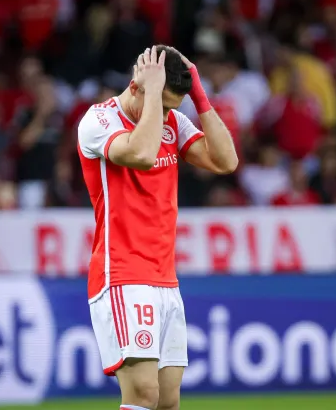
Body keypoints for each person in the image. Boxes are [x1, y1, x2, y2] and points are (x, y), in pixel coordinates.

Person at [76, 46, 238, 410]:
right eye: (163, 105)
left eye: (172, 108)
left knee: (167, 400)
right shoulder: (98, 122)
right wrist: (154, 96)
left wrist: (199, 95)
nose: (167, 115)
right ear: (136, 86)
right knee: (144, 393)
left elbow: (226, 161)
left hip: (165, 277)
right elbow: (142, 154)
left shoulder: (173, 122)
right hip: (121, 273)